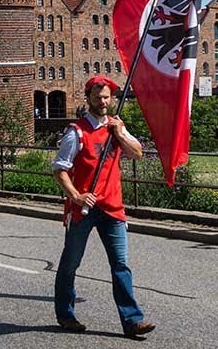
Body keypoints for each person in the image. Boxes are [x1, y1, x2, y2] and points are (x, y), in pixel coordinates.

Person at [52, 74, 155, 338]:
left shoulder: (115, 126)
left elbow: (137, 153)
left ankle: (132, 320)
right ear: (88, 99)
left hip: (113, 207)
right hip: (83, 208)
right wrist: (76, 196)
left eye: (107, 97)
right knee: (70, 264)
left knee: (121, 264)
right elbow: (60, 170)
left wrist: (120, 133)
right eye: (98, 97)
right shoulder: (76, 133)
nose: (103, 101)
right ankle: (65, 314)